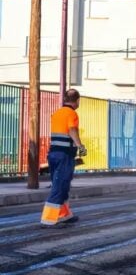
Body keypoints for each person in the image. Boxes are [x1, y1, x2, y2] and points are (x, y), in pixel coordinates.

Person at [40, 89, 86, 227]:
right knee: (60, 185)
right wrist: (80, 146)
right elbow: (72, 130)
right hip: (64, 155)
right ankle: (48, 219)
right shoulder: (72, 113)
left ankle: (64, 215)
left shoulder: (57, 113)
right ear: (77, 100)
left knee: (62, 184)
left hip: (53, 154)